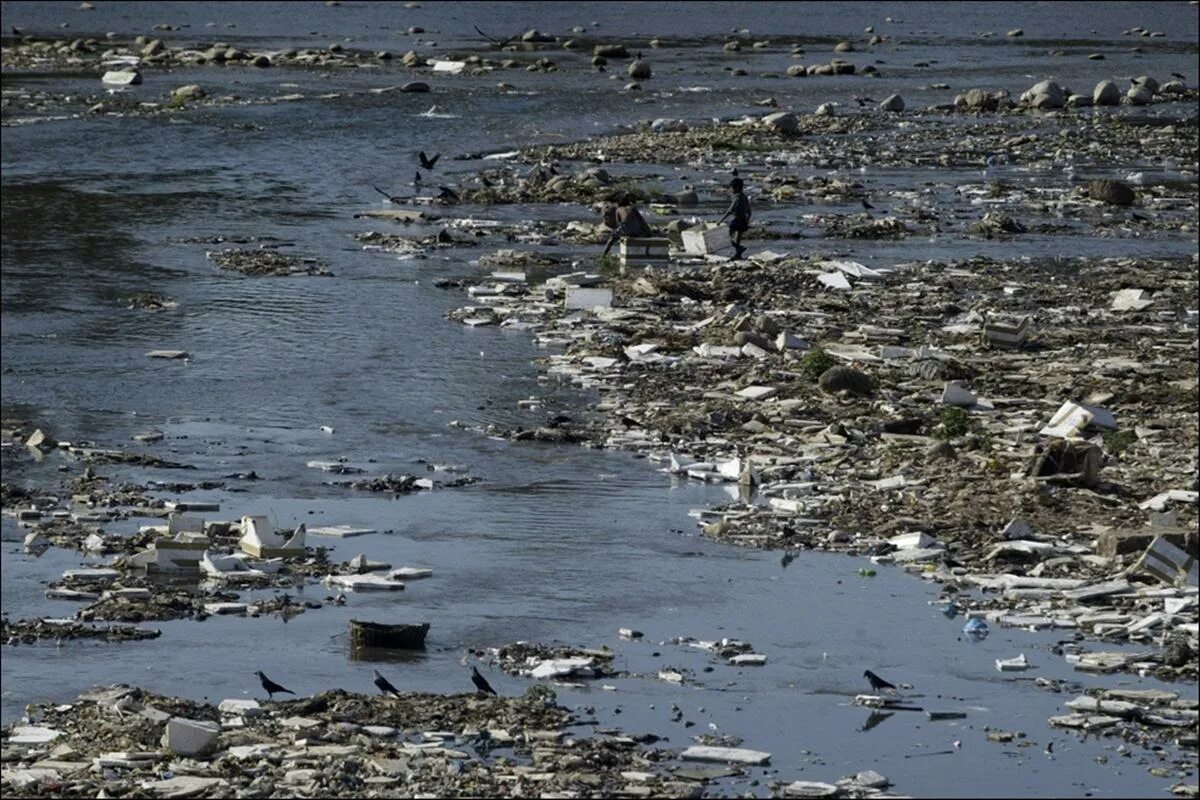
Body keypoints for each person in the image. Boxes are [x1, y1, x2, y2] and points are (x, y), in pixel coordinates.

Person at [719, 177, 751, 260]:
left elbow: (730, 210)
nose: (730, 189)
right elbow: (749, 211)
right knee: (737, 237)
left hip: (737, 220)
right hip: (743, 219)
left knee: (726, 236)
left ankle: (739, 248)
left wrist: (720, 220)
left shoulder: (737, 198)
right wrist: (747, 221)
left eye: (731, 188)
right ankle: (738, 255)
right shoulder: (744, 196)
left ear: (736, 188)